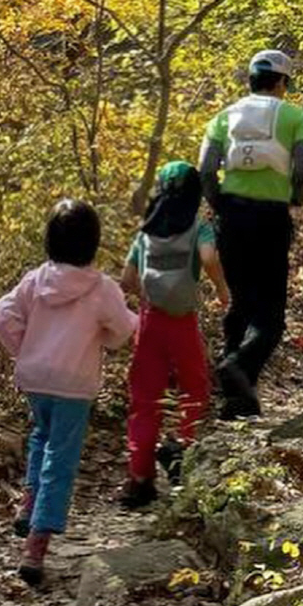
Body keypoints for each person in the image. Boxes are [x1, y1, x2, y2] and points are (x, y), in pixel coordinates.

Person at [0, 200, 137, 585]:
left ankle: (28, 506)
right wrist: (110, 333)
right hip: (73, 384)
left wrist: (24, 350)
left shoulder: (35, 281)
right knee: (62, 457)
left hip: (36, 379)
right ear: (93, 243)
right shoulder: (102, 289)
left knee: (41, 437)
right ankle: (36, 545)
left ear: (50, 241)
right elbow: (122, 331)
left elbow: (3, 316)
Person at [199, 49, 303, 420]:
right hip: (270, 219)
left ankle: (237, 400)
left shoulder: (223, 117)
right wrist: (296, 197)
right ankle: (236, 366)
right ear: (282, 82)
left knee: (240, 304)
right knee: (271, 316)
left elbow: (205, 169)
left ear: (251, 79)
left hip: (230, 218)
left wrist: (219, 204)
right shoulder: (295, 116)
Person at [119, 161, 229, 508]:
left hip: (150, 322)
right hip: (183, 321)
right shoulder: (199, 227)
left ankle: (139, 478)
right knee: (194, 387)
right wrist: (222, 290)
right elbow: (209, 258)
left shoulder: (146, 232)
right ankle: (181, 449)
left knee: (144, 398)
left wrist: (146, 297)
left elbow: (127, 279)